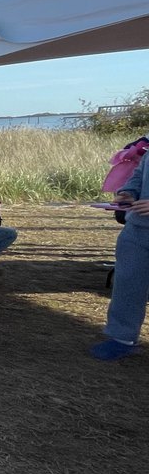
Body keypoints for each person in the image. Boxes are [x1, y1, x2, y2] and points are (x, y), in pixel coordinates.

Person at [92, 149, 149, 361]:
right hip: (137, 229)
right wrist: (128, 193)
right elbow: (139, 174)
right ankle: (121, 338)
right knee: (127, 284)